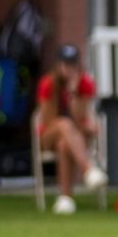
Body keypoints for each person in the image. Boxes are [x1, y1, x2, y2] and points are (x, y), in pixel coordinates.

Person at [35, 43, 107, 215]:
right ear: (58, 65)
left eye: (72, 64)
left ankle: (65, 199)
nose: (68, 69)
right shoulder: (48, 84)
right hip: (48, 135)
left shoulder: (84, 84)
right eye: (65, 64)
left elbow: (80, 120)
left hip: (74, 139)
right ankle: (88, 169)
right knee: (63, 125)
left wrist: (73, 92)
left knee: (64, 145)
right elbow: (48, 120)